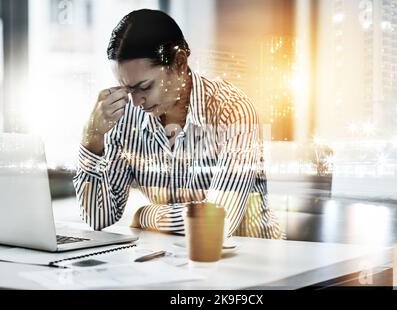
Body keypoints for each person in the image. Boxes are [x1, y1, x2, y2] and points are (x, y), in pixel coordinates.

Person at [73, 9, 282, 239]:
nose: (135, 101)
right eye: (127, 89)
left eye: (144, 87)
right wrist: (92, 141)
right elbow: (98, 217)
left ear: (180, 63)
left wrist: (146, 215)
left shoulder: (232, 111)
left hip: (249, 259)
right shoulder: (127, 115)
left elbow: (219, 222)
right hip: (171, 259)